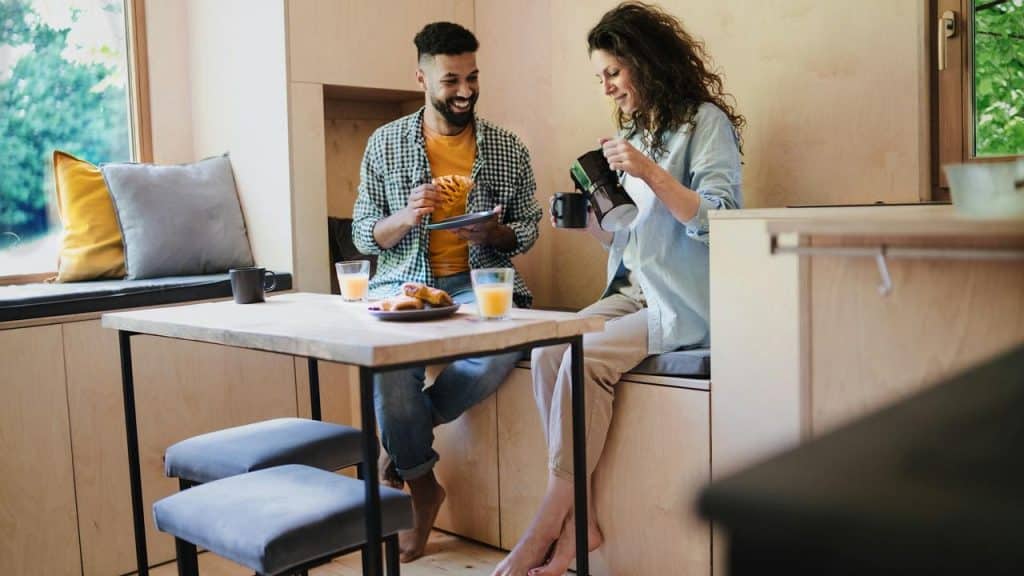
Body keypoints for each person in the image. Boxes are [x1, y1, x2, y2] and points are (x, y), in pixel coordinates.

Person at [493, 3, 744, 575]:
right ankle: (581, 516)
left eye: (612, 72)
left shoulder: (704, 124)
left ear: (645, 63)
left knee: (585, 357)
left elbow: (723, 224)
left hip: (686, 299)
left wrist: (651, 171)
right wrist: (590, 227)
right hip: (635, 288)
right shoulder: (635, 131)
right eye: (600, 76)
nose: (606, 86)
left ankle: (549, 521)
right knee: (548, 349)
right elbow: (633, 239)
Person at [352, 21, 542, 563]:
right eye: (451, 79)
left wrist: (493, 233)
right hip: (404, 282)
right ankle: (423, 488)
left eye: (472, 77)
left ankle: (402, 446)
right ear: (422, 77)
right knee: (389, 372)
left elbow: (527, 228)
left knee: (504, 348)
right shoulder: (384, 144)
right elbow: (365, 232)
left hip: (482, 282)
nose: (465, 91)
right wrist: (408, 215)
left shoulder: (506, 147)